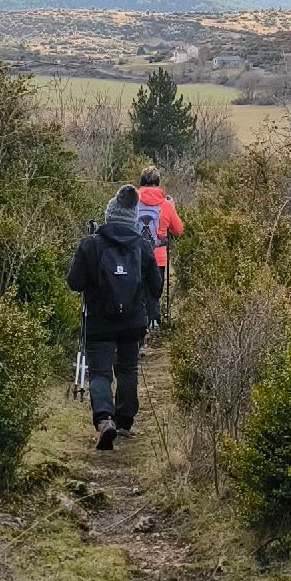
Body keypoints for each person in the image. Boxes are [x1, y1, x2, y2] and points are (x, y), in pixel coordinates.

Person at [66, 185, 162, 449]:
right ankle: (124, 421)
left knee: (99, 372)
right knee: (127, 368)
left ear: (109, 215)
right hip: (133, 321)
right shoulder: (143, 246)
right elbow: (156, 287)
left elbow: (74, 283)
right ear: (132, 218)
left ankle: (104, 419)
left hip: (99, 322)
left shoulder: (91, 244)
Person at [134, 164, 184, 317]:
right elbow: (178, 230)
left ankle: (137, 325)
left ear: (141, 182)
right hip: (158, 258)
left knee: (136, 295)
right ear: (158, 182)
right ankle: (154, 322)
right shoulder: (166, 205)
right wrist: (172, 208)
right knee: (154, 295)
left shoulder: (131, 202)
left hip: (134, 256)